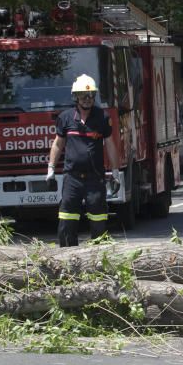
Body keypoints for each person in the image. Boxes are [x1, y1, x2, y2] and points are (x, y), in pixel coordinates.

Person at [47, 74, 117, 246]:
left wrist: (115, 172)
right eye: (83, 95)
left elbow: (110, 145)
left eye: (91, 95)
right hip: (72, 178)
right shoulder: (65, 118)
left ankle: (99, 261)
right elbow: (58, 144)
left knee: (99, 220)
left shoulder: (102, 117)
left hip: (95, 178)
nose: (87, 99)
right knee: (67, 220)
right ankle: (68, 260)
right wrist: (50, 169)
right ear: (75, 96)